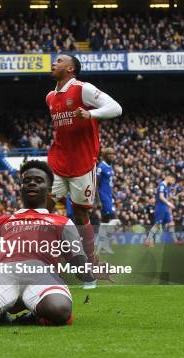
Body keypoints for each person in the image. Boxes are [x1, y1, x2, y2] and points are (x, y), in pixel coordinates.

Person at [0, 160, 112, 328]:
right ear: (20, 188)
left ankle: (32, 311)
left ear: (50, 191)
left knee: (58, 310)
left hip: (42, 275)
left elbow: (79, 267)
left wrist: (92, 273)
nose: (31, 183)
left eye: (38, 180)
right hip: (1, 273)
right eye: (27, 180)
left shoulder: (63, 223)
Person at [46, 54, 122, 289]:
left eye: (58, 60)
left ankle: (89, 265)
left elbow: (116, 108)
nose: (53, 63)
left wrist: (91, 114)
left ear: (70, 68)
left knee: (80, 216)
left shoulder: (83, 89)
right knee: (43, 208)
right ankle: (46, 262)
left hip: (82, 164)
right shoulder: (50, 96)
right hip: (58, 161)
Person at [144, 174, 183, 247]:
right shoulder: (161, 185)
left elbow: (166, 197)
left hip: (165, 208)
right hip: (161, 208)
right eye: (172, 180)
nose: (173, 182)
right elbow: (161, 197)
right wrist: (169, 204)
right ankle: (148, 240)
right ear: (168, 178)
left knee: (171, 223)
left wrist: (174, 196)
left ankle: (175, 241)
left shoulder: (167, 187)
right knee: (157, 225)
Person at [95, 147, 120, 258]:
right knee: (115, 220)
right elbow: (96, 184)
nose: (113, 156)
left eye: (114, 154)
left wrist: (114, 196)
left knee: (104, 223)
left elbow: (108, 184)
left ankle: (101, 247)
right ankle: (102, 245)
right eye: (110, 154)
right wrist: (98, 200)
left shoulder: (109, 167)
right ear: (105, 155)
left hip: (109, 197)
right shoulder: (101, 167)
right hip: (104, 197)